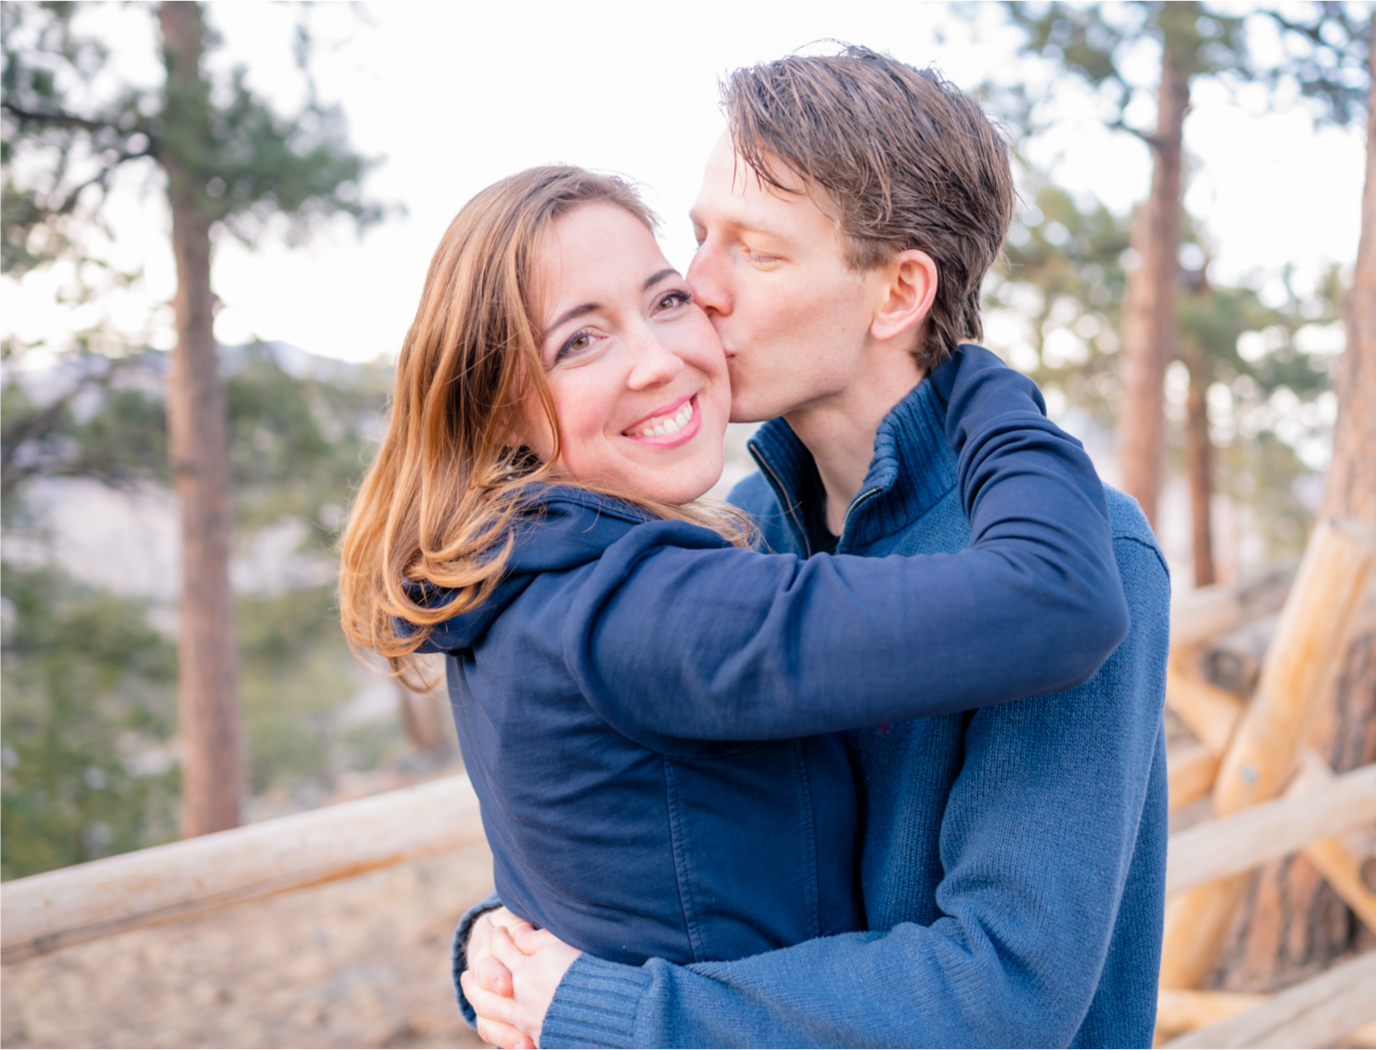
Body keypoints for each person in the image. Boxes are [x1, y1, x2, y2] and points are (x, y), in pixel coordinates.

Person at [460, 48, 1171, 1050]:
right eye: (700, 237)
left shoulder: (1083, 551)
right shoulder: (740, 524)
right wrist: (515, 950)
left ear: (896, 294)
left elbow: (1004, 993)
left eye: (755, 250)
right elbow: (664, 841)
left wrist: (609, 1008)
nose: (695, 288)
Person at [339, 166, 1130, 984]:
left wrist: (504, 964)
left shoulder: (522, 573)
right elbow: (1056, 597)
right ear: (497, 405)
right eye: (580, 340)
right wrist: (979, 382)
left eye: (666, 300)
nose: (657, 360)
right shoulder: (632, 606)